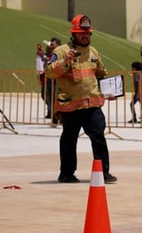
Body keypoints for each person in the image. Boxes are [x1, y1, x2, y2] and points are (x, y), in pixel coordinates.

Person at [45, 14, 116, 184]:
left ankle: (102, 172)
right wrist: (66, 62)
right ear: (73, 34)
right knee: (69, 139)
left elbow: (101, 74)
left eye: (88, 33)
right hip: (71, 105)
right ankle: (67, 173)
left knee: (98, 136)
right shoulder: (61, 51)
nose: (85, 36)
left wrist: (110, 91)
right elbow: (49, 72)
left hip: (92, 104)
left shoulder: (93, 52)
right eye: (81, 33)